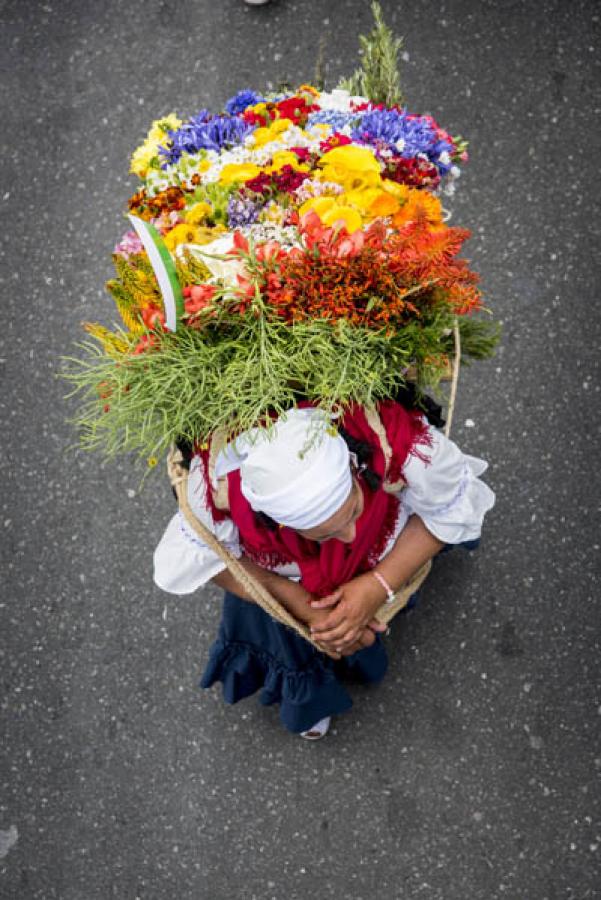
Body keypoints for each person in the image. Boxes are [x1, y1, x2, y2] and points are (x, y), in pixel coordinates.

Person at [154, 401, 495, 739]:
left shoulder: (399, 442)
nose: (350, 534)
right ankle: (313, 696)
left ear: (352, 465)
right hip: (284, 578)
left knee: (362, 613)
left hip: (380, 550)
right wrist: (300, 606)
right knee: (293, 642)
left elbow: (451, 505)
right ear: (277, 521)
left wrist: (378, 585)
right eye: (325, 533)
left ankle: (357, 632)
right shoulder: (215, 488)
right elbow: (214, 562)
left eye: (354, 508)